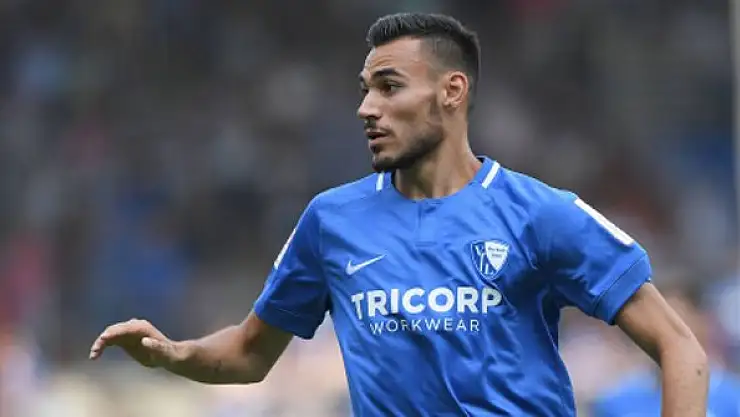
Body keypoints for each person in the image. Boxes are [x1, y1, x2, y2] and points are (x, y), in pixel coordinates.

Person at [89, 12, 709, 416]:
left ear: (452, 91)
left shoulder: (541, 214)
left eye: (388, 87)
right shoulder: (331, 221)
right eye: (365, 89)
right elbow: (250, 353)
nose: (366, 107)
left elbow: (681, 348)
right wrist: (173, 354)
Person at [591, 282, 740, 417]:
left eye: (679, 324)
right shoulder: (614, 402)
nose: (668, 337)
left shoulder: (733, 398)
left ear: (701, 324)